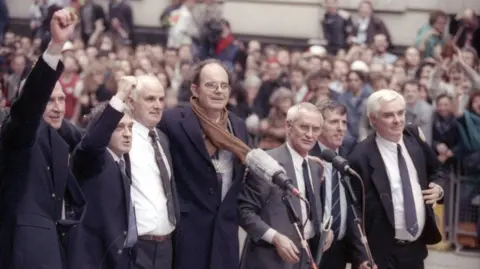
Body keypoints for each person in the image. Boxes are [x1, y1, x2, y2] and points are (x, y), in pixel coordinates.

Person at [0, 9, 87, 269]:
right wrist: (56, 46)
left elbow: (91, 144)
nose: (58, 107)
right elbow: (28, 106)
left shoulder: (63, 138)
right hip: (21, 251)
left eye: (62, 99)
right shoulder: (17, 130)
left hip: (55, 248)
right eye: (50, 100)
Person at [158, 59, 250, 269]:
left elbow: (248, 167)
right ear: (195, 89)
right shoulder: (172, 121)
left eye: (224, 85)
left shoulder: (238, 126)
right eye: (211, 85)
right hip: (188, 231)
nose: (219, 91)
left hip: (225, 232)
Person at [348, 89, 446, 269]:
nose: (397, 120)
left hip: (415, 249)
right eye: (388, 115)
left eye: (400, 113)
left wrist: (438, 188)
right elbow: (353, 211)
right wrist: (361, 256)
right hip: (381, 254)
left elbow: (437, 170)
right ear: (373, 119)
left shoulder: (414, 138)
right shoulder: (359, 156)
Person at [239, 102, 328, 269]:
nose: (310, 134)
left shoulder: (316, 168)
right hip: (269, 259)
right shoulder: (267, 163)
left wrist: (323, 231)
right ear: (289, 126)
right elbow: (244, 212)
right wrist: (275, 237)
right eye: (304, 127)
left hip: (306, 259)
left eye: (315, 129)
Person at [70, 76, 137, 269]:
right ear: (104, 130)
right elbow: (92, 143)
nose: (127, 133)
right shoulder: (91, 158)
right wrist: (120, 95)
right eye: (119, 128)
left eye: (130, 127)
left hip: (122, 258)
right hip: (94, 260)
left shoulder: (123, 159)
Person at [126, 75, 180, 269]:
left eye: (161, 99)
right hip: (135, 246)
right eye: (150, 99)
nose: (157, 105)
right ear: (131, 102)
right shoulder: (123, 137)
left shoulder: (163, 139)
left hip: (165, 245)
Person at [310, 99, 364, 269]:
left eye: (344, 122)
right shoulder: (307, 156)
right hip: (310, 247)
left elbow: (353, 207)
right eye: (334, 122)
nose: (341, 128)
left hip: (339, 248)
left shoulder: (350, 154)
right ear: (318, 126)